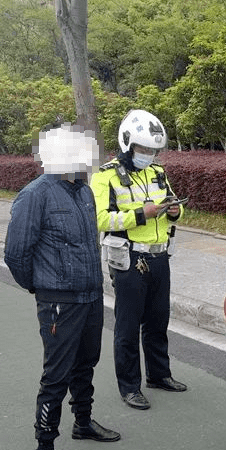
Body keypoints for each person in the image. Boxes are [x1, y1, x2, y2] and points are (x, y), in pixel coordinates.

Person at [5, 123, 120, 450]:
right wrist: (42, 288)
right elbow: (16, 254)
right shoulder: (34, 195)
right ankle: (44, 446)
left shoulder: (84, 192)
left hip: (90, 297)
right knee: (56, 375)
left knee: (86, 363)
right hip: (59, 302)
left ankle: (83, 423)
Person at [90, 109, 187, 411]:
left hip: (159, 256)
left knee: (159, 321)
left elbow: (174, 205)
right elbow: (100, 218)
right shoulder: (105, 175)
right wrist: (139, 215)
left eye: (153, 150)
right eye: (144, 149)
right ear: (128, 144)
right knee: (128, 325)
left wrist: (174, 211)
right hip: (129, 259)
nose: (149, 155)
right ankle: (129, 386)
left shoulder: (157, 173)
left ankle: (159, 375)